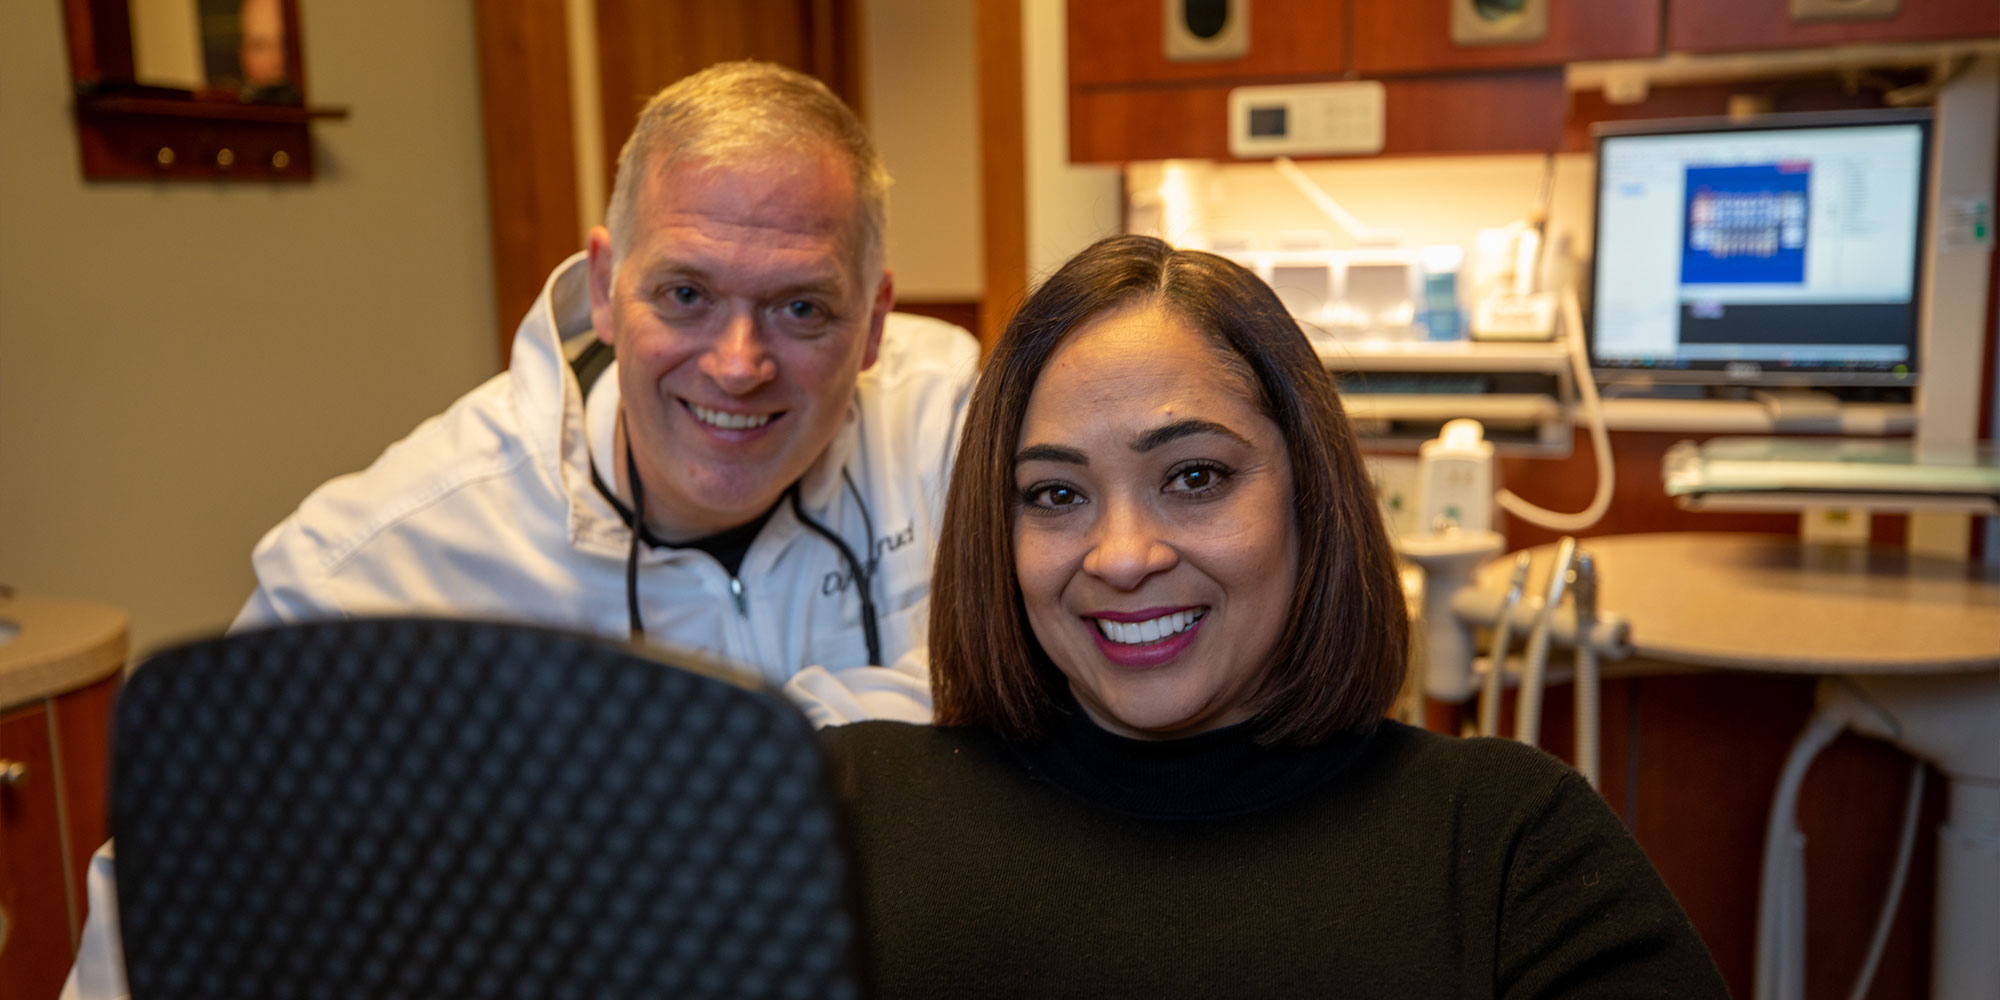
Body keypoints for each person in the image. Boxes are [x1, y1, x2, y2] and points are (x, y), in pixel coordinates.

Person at [62, 60, 978, 1000]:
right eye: (685, 295)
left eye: (801, 309)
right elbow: (155, 916)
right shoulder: (381, 563)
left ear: (873, 325)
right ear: (607, 282)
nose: (739, 366)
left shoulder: (955, 434)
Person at [826, 234, 1729, 998]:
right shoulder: (843, 807)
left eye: (1196, 477)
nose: (1124, 555)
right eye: (1056, 493)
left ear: (1312, 496)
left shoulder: (1506, 846)